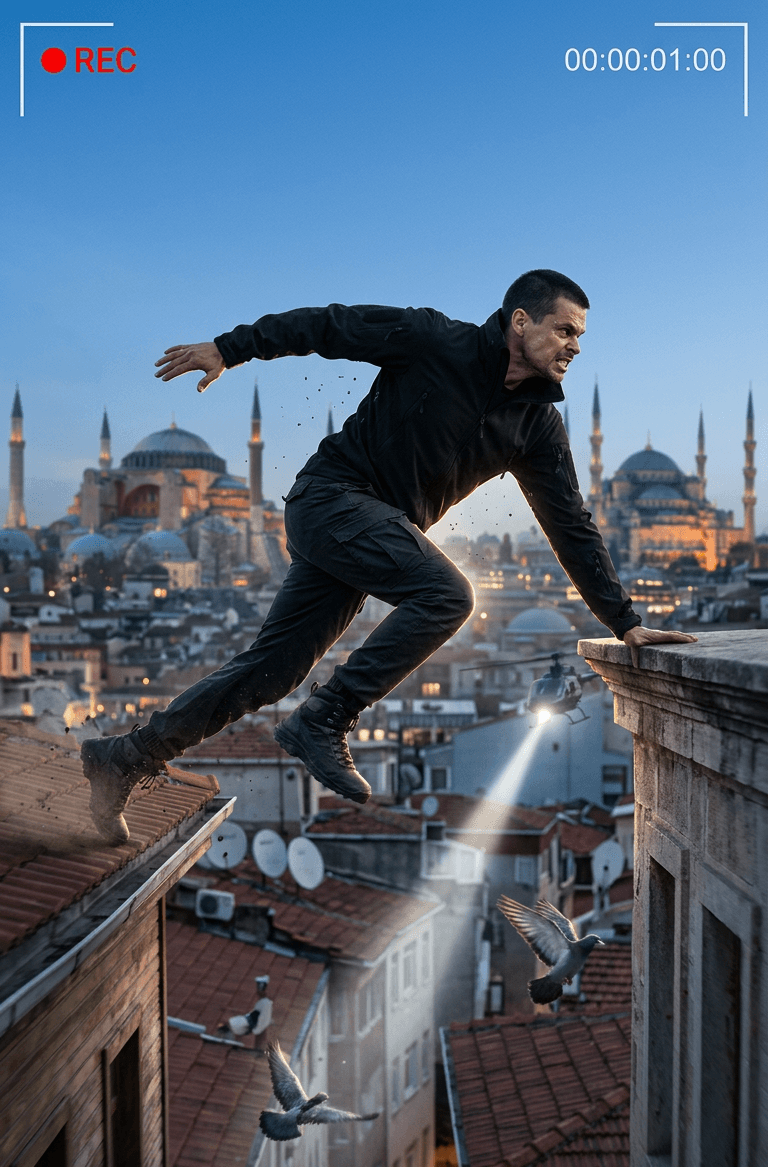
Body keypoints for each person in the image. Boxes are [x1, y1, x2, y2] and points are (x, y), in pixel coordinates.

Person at [81, 270, 696, 842]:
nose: (574, 346)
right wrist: (230, 347)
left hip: (374, 531)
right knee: (449, 595)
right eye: (565, 330)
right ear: (520, 322)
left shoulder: (534, 426)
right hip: (330, 499)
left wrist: (626, 621)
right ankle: (327, 718)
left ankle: (123, 758)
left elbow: (571, 526)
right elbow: (329, 325)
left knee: (272, 672)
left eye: (580, 337)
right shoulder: (434, 340)